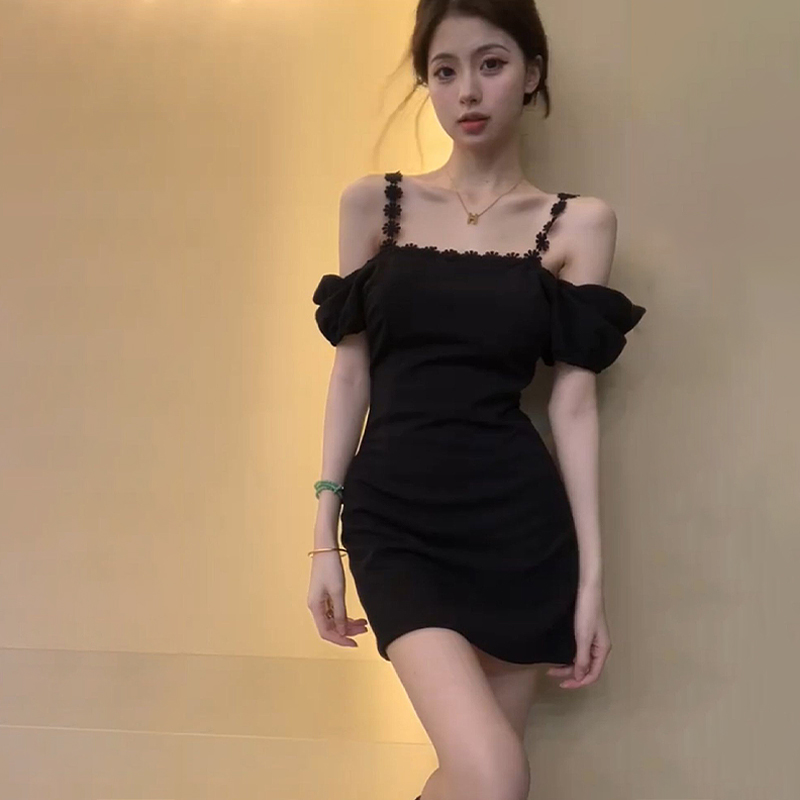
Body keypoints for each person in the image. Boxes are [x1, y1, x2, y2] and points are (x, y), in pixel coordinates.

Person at [307, 3, 646, 799]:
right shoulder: (371, 204)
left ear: (531, 73)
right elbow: (351, 375)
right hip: (394, 519)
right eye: (444, 70)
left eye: (491, 64)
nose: (467, 90)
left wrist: (591, 582)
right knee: (496, 777)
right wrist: (323, 533)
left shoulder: (580, 224)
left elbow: (572, 408)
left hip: (518, 532)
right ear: (426, 82)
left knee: (479, 783)